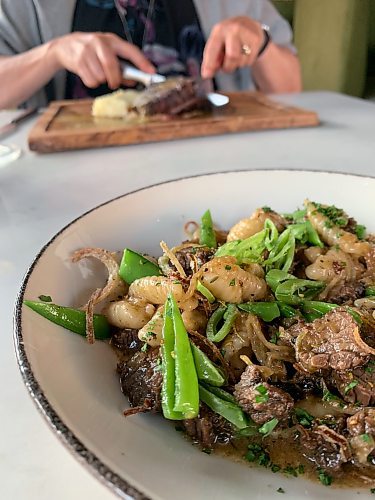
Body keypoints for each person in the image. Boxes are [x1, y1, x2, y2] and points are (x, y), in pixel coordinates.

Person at [0, 0, 301, 109]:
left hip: (216, 163)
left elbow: (290, 89)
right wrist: (52, 54)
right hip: (73, 179)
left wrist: (261, 42)